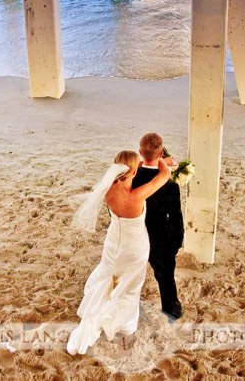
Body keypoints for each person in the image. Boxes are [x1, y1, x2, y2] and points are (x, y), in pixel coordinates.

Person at [67, 150, 171, 356]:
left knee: (109, 274)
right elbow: (165, 175)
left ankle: (105, 309)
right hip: (135, 248)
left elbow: (129, 173)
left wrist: (143, 164)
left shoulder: (108, 189)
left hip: (114, 244)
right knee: (131, 287)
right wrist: (160, 161)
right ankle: (126, 328)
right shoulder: (137, 195)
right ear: (132, 170)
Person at [133, 133, 184, 320]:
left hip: (135, 234)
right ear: (161, 153)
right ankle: (171, 309)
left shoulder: (130, 178)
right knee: (165, 276)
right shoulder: (170, 186)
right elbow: (176, 219)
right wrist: (176, 243)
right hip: (160, 238)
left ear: (140, 153)